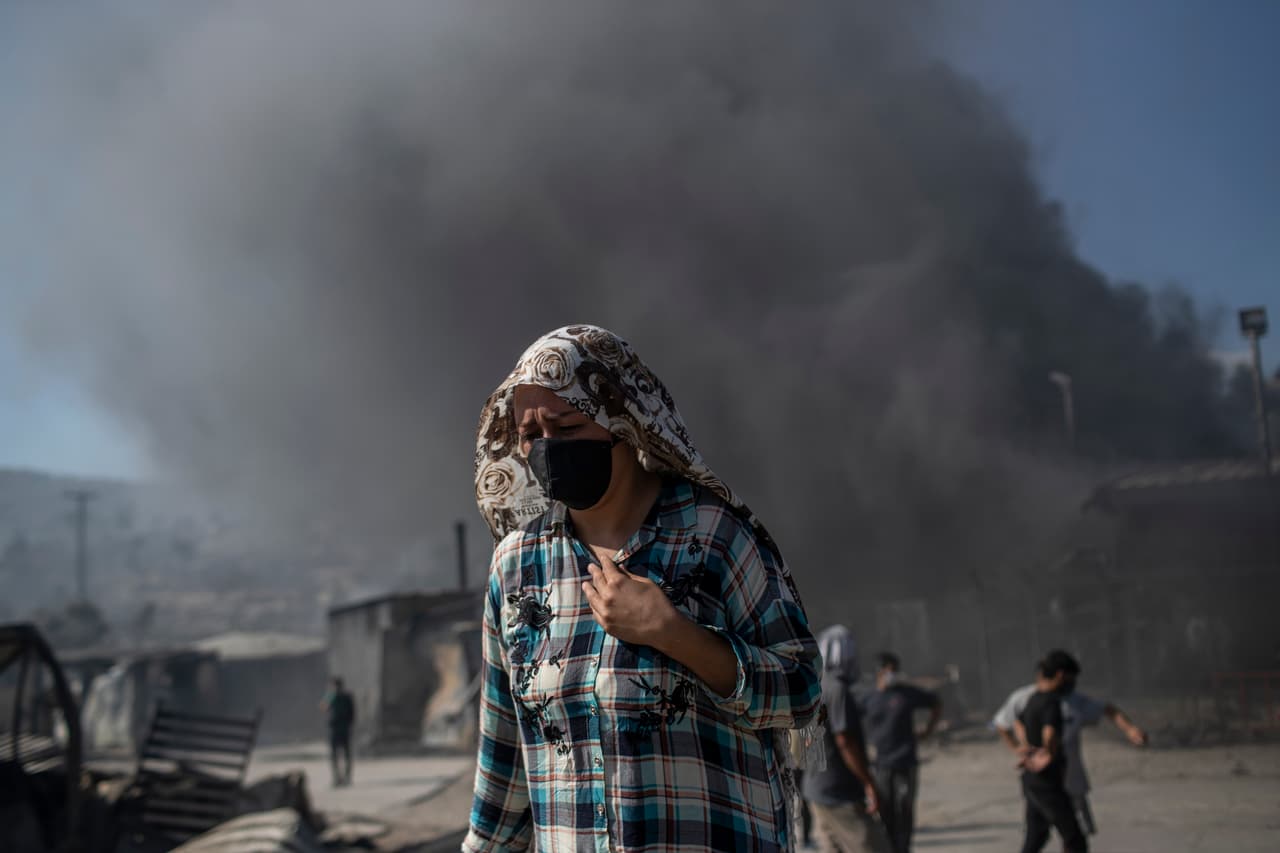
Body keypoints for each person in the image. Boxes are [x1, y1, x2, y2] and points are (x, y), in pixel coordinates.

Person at [465, 325, 823, 852]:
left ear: (621, 422)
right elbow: (503, 766)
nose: (546, 449)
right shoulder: (517, 566)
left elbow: (801, 691)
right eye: (530, 434)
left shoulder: (712, 536)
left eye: (564, 427)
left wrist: (675, 634)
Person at [992, 650, 1148, 835]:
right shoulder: (1025, 698)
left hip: (1070, 779)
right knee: (1042, 835)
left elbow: (1107, 709)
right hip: (1041, 780)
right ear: (1061, 675)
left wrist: (1130, 729)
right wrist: (1018, 748)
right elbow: (1002, 723)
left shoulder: (1073, 700)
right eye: (1071, 678)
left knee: (1074, 836)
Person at [802, 626, 891, 853]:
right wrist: (869, 782)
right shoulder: (838, 689)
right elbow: (844, 741)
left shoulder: (815, 682)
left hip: (815, 787)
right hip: (838, 792)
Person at [860, 652, 940, 853]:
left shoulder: (906, 694)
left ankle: (903, 848)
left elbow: (935, 703)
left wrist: (928, 730)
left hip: (905, 762)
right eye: (889, 670)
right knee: (884, 810)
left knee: (904, 809)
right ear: (879, 671)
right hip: (880, 764)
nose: (892, 674)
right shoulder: (868, 698)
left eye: (895, 670)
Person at [1013, 655, 1088, 853]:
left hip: (1032, 780)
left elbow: (1017, 722)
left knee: (1036, 837)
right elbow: (1050, 733)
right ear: (1061, 675)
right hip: (1047, 783)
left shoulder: (1033, 698)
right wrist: (1048, 753)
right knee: (1074, 838)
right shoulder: (1051, 702)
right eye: (1071, 678)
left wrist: (1024, 746)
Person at [322, 676, 355, 787]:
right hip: (334, 730)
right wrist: (329, 696)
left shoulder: (347, 697)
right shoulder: (332, 697)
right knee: (334, 756)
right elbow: (323, 708)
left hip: (344, 730)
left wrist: (349, 725)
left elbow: (352, 713)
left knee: (346, 755)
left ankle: (347, 777)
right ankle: (337, 778)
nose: (334, 688)